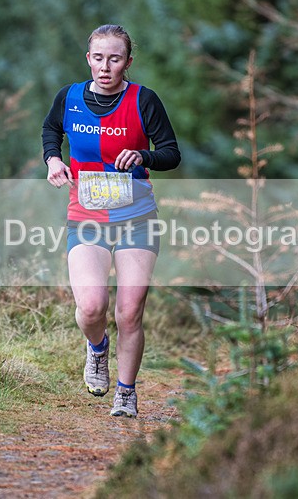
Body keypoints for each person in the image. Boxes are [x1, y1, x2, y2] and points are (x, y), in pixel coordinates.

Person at [42, 24, 181, 418]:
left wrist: (144, 157)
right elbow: (51, 129)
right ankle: (97, 349)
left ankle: (126, 392)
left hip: (136, 215)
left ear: (127, 62)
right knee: (90, 307)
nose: (105, 67)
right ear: (88, 59)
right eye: (98, 57)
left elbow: (171, 152)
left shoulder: (143, 100)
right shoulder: (68, 98)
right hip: (86, 215)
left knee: (129, 311)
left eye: (115, 58)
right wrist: (54, 159)